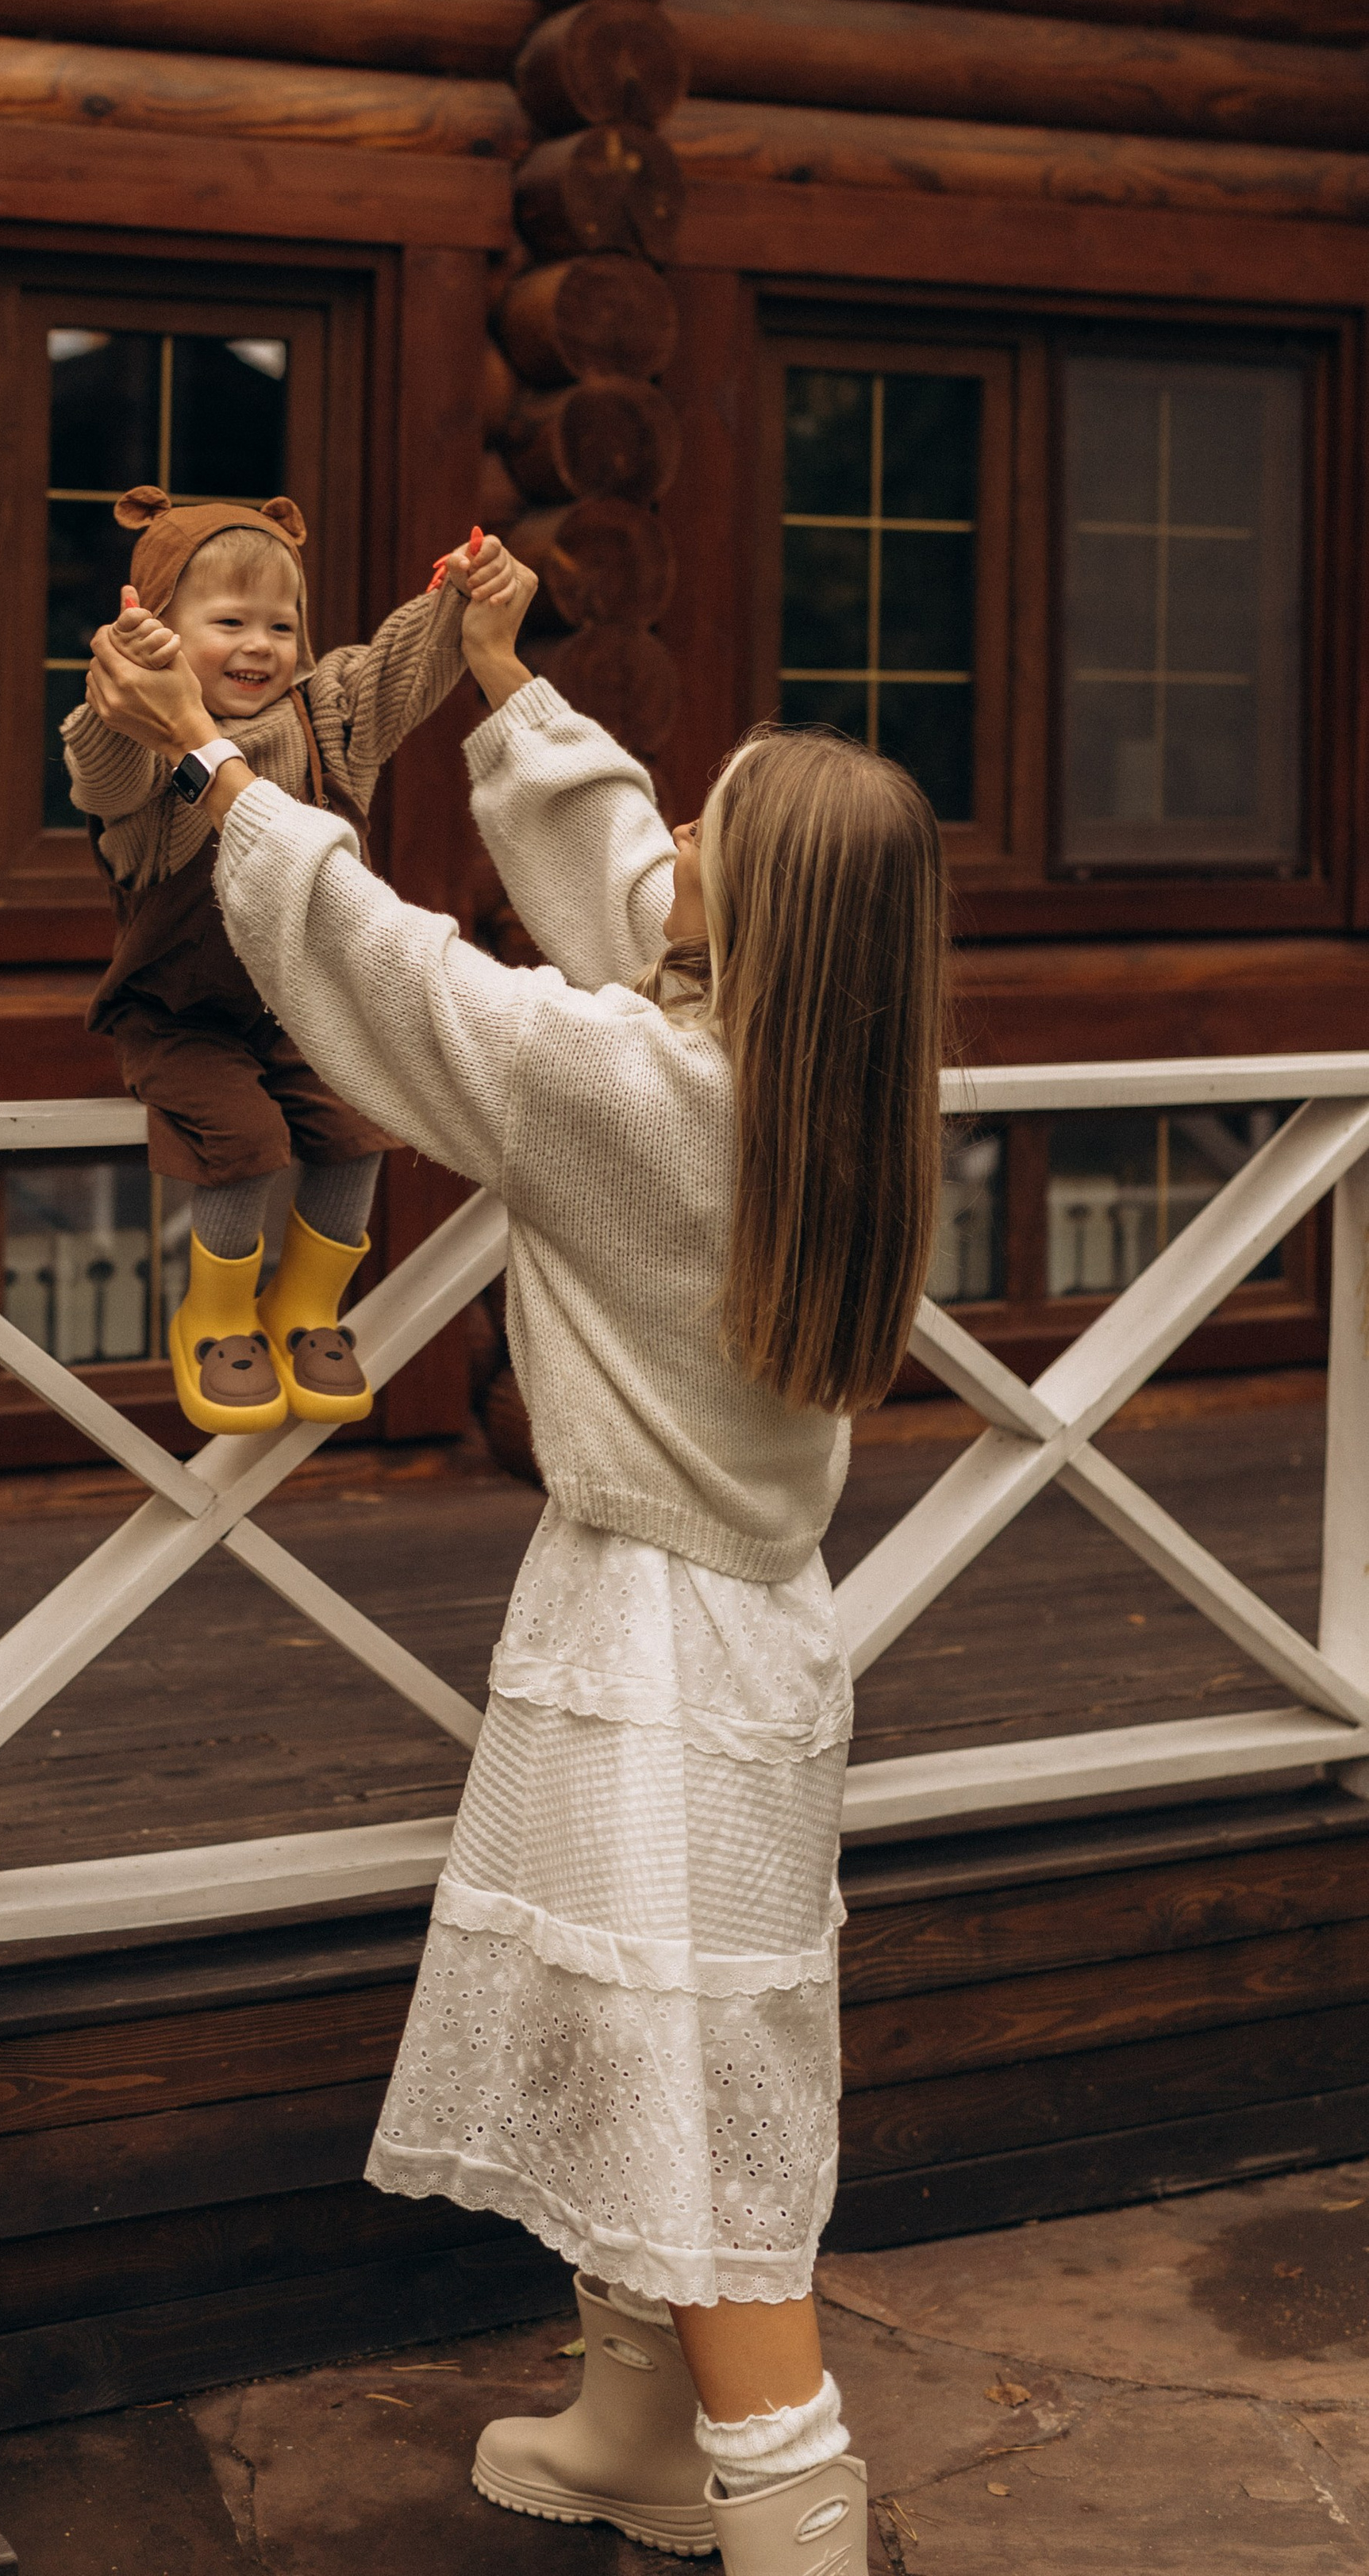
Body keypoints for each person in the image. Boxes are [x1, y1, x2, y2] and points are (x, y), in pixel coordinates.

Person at [85, 539, 948, 2576]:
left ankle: (788, 2504)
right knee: (628, 2036)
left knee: (685, 2080)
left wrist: (210, 760)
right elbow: (636, 915)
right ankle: (639, 2432)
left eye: (700, 825)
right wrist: (499, 686)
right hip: (731, 1627)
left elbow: (402, 981)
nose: (663, 833)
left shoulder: (640, 1093)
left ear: (761, 910)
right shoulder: (834, 1073)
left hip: (654, 1646)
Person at [64, 484, 522, 1436]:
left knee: (360, 1125)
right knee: (243, 1141)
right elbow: (101, 778)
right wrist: (128, 687)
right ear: (159, 627)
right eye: (227, 621)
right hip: (178, 1011)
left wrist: (458, 593)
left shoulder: (329, 715)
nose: (259, 645)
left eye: (280, 623)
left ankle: (306, 1307)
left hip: (300, 1002)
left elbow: (405, 663)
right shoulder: (149, 737)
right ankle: (219, 1319)